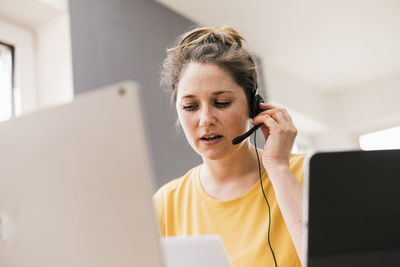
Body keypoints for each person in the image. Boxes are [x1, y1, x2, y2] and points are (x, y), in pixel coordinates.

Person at [154, 26, 304, 267]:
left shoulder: (306, 174)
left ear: (253, 106)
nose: (205, 120)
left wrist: (278, 168)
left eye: (221, 102)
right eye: (190, 106)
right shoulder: (164, 204)